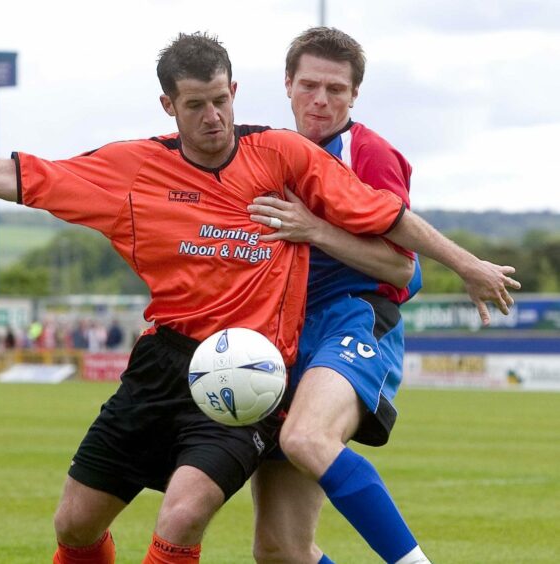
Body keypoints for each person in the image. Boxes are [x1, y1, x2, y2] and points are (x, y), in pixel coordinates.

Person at [0, 32, 518, 564]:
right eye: (196, 104)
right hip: (162, 364)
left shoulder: (286, 154)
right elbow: (20, 176)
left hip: (251, 370)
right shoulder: (132, 169)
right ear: (169, 106)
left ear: (238, 92)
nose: (214, 116)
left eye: (222, 100)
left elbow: (387, 227)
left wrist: (463, 262)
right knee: (84, 527)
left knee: (187, 510)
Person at [249, 27, 443, 563]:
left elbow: (405, 270)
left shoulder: (370, 153)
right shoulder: (259, 153)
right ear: (287, 84)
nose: (321, 100)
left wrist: (315, 230)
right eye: (309, 85)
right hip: (280, 336)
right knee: (280, 550)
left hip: (353, 320)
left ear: (355, 94)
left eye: (336, 89)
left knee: (308, 438)